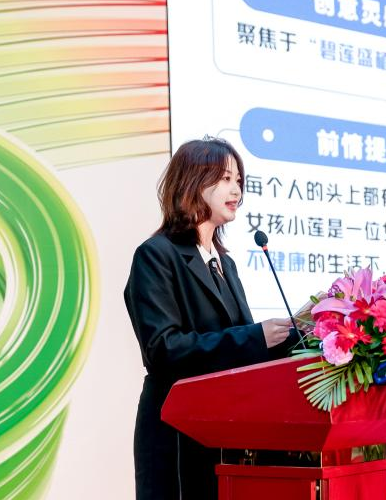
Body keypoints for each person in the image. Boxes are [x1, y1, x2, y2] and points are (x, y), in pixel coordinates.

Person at [124, 137, 298, 499]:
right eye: (225, 179)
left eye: (239, 180)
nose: (236, 190)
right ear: (192, 182)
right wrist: (257, 337)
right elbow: (164, 349)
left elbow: (243, 350)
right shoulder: (156, 255)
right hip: (175, 434)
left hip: (222, 431)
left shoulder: (225, 263)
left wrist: (305, 333)